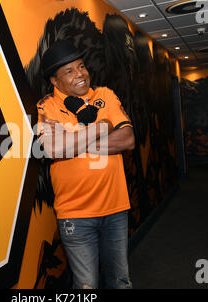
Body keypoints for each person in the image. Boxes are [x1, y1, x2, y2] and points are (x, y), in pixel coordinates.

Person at [36, 40, 135, 289]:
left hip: (116, 208)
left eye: (81, 66)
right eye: (69, 71)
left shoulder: (105, 95)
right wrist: (101, 127)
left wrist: (74, 143)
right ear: (55, 82)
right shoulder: (47, 106)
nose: (80, 74)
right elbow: (52, 148)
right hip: (75, 216)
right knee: (86, 286)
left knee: (121, 281)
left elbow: (128, 139)